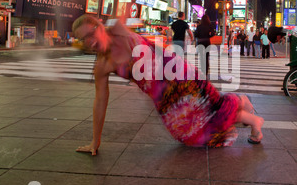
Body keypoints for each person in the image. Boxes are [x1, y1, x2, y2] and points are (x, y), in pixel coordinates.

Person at [72, 15, 264, 155]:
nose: (90, 41)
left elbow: (123, 12)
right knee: (188, 134)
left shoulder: (117, 30)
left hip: (179, 74)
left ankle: (253, 121)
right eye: (83, 39)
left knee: (207, 118)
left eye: (91, 33)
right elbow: (99, 102)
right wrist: (94, 142)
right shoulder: (102, 67)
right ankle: (241, 103)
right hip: (164, 97)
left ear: (99, 26)